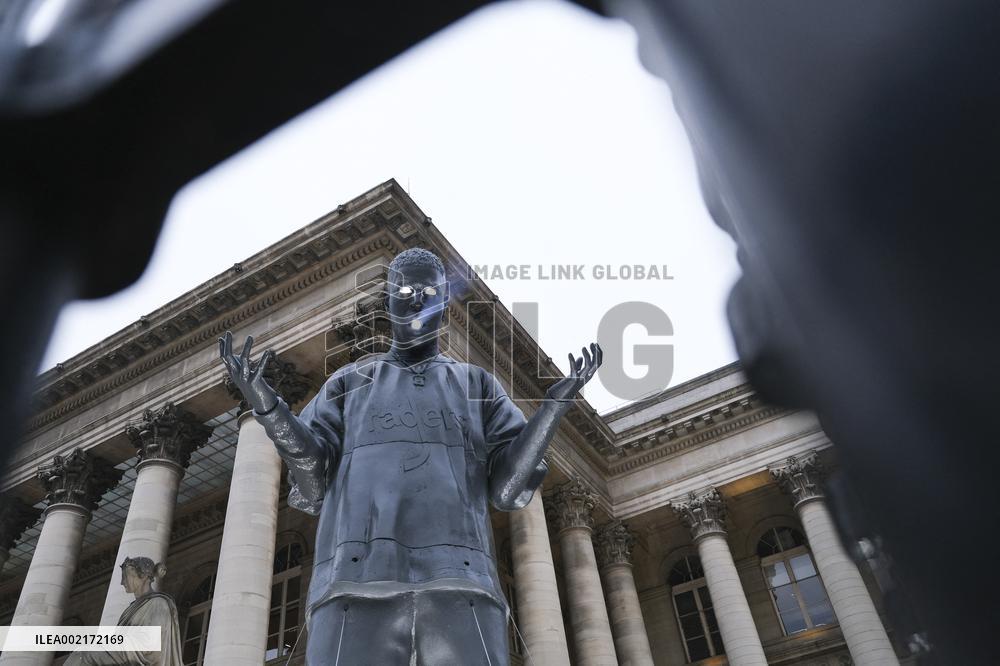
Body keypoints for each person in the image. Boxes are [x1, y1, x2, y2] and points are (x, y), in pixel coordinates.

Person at [220, 247, 601, 665]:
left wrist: (551, 411)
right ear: (387, 302)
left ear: (444, 303)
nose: (416, 298)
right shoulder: (349, 381)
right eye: (403, 289)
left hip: (460, 583)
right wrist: (268, 407)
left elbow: (508, 490)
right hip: (354, 583)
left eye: (428, 290)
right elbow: (312, 474)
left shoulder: (476, 383)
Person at [66, 557, 182, 666]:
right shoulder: (132, 608)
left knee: (85, 654)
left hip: (134, 655)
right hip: (124, 652)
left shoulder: (159, 603)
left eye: (127, 576)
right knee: (80, 653)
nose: (122, 582)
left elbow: (152, 643)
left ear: (144, 576)